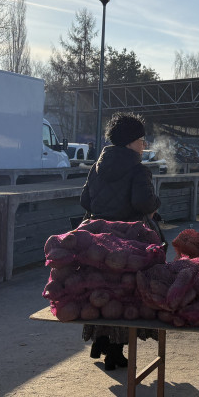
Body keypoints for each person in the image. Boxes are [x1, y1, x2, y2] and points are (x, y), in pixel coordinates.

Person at [79, 113, 161, 371]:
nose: (144, 145)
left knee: (100, 287)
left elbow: (85, 201)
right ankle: (116, 350)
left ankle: (100, 340)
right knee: (125, 293)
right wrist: (156, 203)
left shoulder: (97, 167)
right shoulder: (139, 170)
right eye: (141, 140)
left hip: (97, 240)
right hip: (128, 241)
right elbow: (143, 203)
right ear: (130, 142)